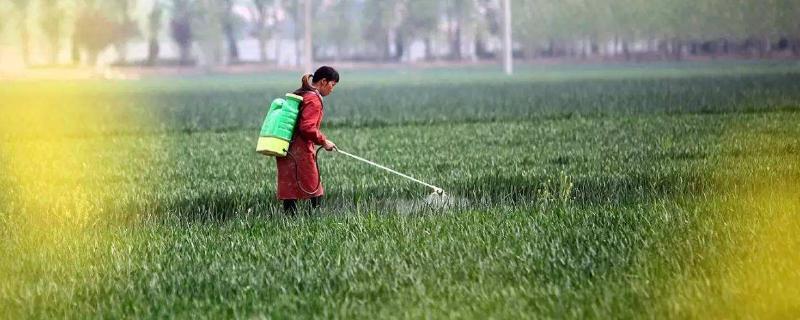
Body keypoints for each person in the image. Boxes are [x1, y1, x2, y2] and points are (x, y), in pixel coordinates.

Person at [276, 66, 339, 214]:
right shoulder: (314, 99)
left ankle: (289, 222)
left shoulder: (304, 94)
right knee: (315, 188)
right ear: (323, 81)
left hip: (286, 147)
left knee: (290, 190)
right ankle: (315, 220)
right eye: (332, 85)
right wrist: (324, 141)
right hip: (300, 151)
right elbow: (307, 128)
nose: (332, 89)